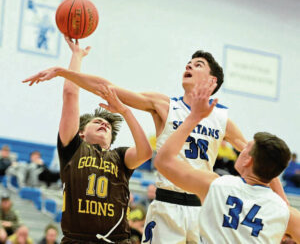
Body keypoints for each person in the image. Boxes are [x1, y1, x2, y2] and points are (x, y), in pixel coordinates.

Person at [23, 49, 287, 243]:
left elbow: (262, 163)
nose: (189, 65)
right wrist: (64, 72)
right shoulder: (164, 104)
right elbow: (108, 88)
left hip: (202, 207)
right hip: (167, 205)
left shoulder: (222, 117)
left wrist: (284, 209)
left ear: (213, 81)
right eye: (188, 62)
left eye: (198, 64)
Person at [24, 36, 152, 243]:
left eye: (108, 126)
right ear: (81, 133)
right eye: (98, 122)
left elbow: (146, 153)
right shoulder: (73, 148)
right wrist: (76, 56)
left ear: (111, 140)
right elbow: (70, 94)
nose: (104, 125)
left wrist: (124, 110)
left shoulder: (119, 156)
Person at [154, 79, 300, 243]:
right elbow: (283, 205)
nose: (241, 148)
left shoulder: (215, 185)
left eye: (246, 148)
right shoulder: (285, 213)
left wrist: (194, 117)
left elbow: (163, 161)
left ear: (248, 161)